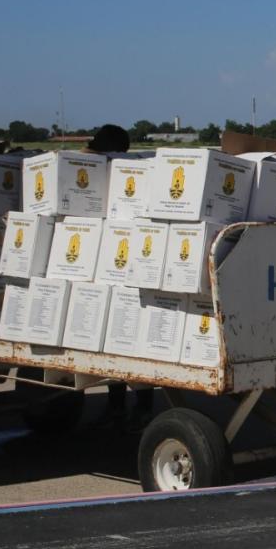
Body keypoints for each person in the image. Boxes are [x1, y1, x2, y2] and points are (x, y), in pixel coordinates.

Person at [86, 124, 155, 430]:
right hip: (124, 264)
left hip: (117, 266)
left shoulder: (108, 167)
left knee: (121, 344)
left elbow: (85, 153)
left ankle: (132, 407)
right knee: (122, 345)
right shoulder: (135, 167)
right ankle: (128, 406)